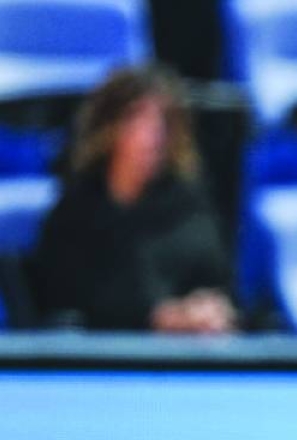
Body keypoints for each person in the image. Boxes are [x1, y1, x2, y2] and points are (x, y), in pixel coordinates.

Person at [26, 65, 235, 333]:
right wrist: (156, 316)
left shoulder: (190, 212)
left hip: (187, 352)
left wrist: (209, 310)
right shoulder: (75, 213)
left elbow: (215, 285)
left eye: (164, 121)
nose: (155, 135)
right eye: (138, 118)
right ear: (108, 127)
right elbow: (61, 297)